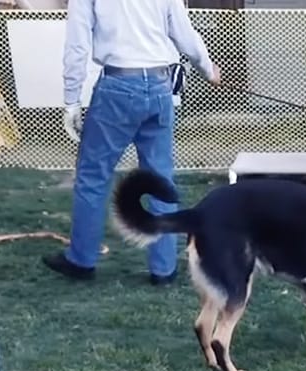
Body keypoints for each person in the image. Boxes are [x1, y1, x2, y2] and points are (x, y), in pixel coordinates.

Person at [43, 0, 222, 285]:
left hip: (117, 86)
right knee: (159, 177)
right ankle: (163, 269)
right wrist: (207, 68)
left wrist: (71, 99)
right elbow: (184, 32)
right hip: (160, 85)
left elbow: (77, 43)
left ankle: (81, 260)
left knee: (93, 176)